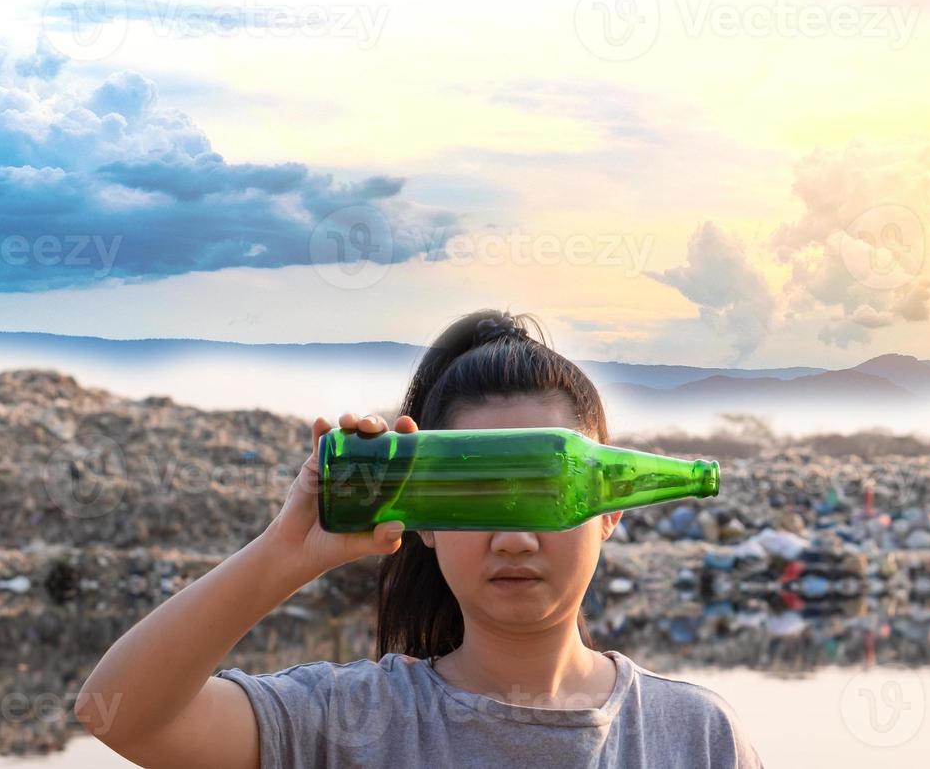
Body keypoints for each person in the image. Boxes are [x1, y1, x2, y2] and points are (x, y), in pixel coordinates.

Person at [75, 308, 764, 768]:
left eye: (545, 495)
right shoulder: (352, 721)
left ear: (611, 507)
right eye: (476, 494)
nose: (515, 538)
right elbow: (122, 715)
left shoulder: (694, 736)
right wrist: (287, 552)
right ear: (426, 519)